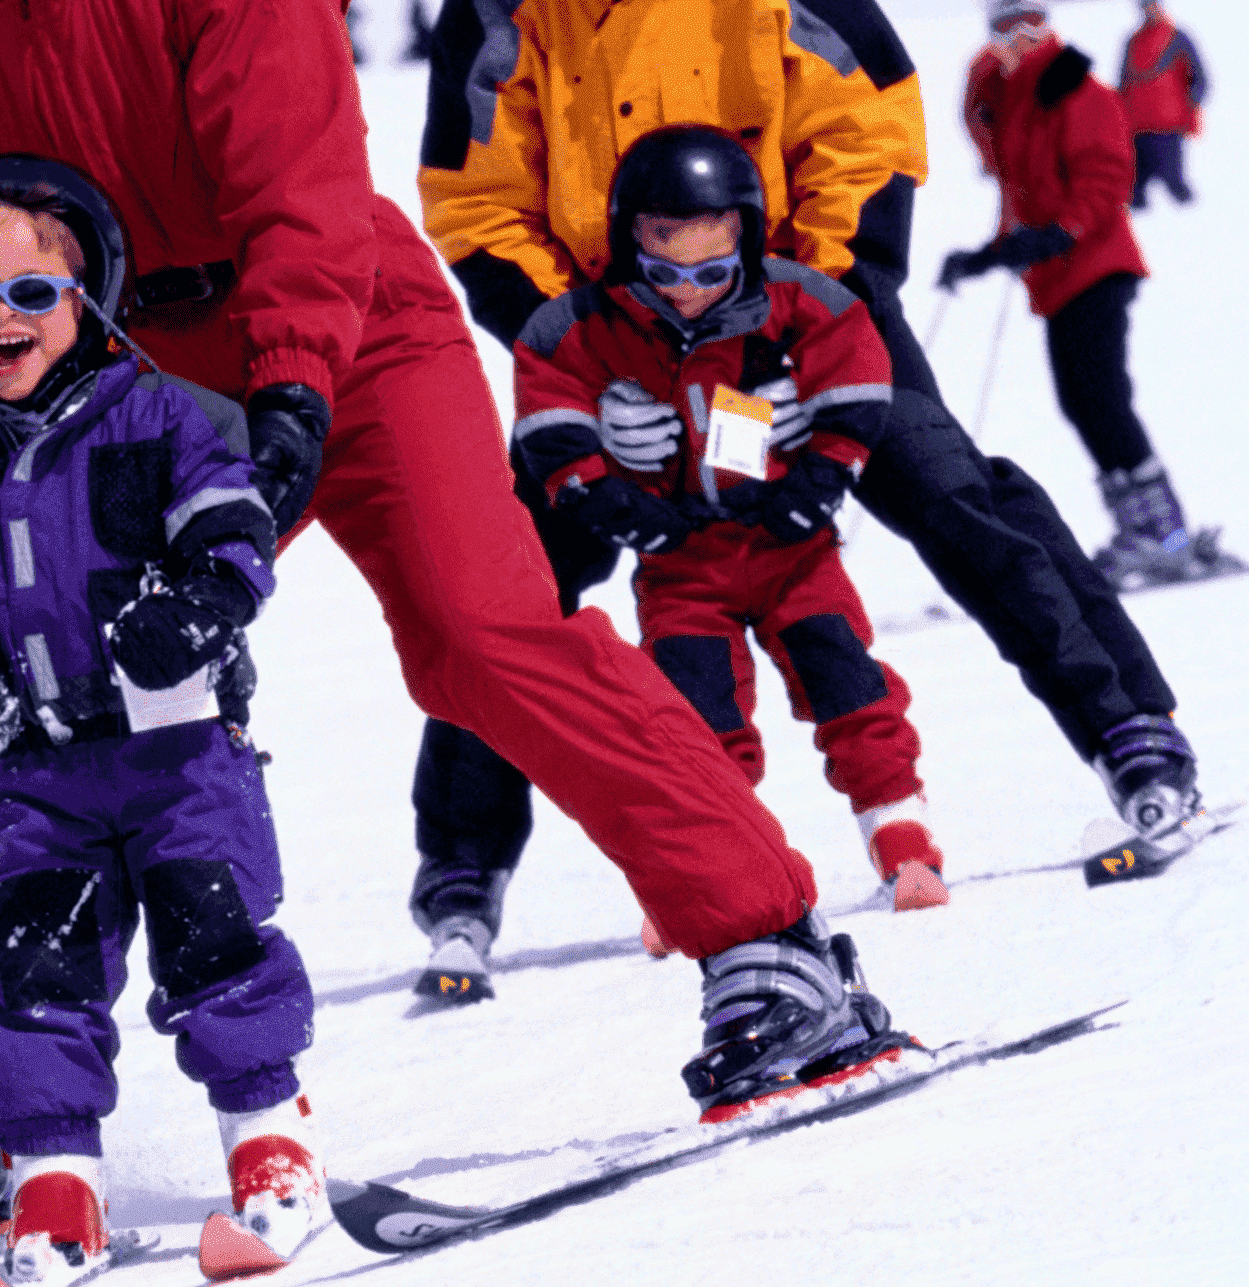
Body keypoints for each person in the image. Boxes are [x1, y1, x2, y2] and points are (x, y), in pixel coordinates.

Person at [0, 0, 875, 1260]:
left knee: (478, 630)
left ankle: (765, 942)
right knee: (7, 685)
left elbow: (297, 184)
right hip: (97, 375)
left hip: (348, 322)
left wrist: (286, 390)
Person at [408, 0, 1204, 978]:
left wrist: (792, 311)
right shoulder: (498, 10)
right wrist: (580, 343)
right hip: (609, 339)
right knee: (510, 581)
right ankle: (462, 872)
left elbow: (865, 126)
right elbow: (470, 193)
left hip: (804, 308)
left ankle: (1130, 733)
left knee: (944, 487)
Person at [0, 158, 326, 1286]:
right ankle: (55, 1188)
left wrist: (199, 609)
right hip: (39, 772)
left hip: (177, 752)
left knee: (212, 940)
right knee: (38, 976)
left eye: (29, 293)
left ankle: (272, 1148)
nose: (0, 320)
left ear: (89, 298)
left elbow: (230, 525)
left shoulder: (160, 418)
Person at [518, 128, 951, 951]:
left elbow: (856, 375)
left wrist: (823, 476)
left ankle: (899, 831)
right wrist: (608, 497)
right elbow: (550, 413)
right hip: (681, 565)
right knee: (694, 715)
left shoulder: (795, 301)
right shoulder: (584, 324)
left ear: (746, 244)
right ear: (626, 241)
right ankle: (713, 869)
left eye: (712, 272)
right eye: (664, 268)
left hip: (788, 552)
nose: (688, 293)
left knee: (844, 679)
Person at [944, 0, 1237, 590]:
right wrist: (987, 256)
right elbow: (1022, 201)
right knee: (1082, 403)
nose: (1018, 37)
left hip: (1098, 267)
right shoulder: (1014, 103)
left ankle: (1164, 532)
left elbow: (1106, 176)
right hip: (1058, 279)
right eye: (1003, 27)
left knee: (1101, 400)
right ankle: (1147, 529)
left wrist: (1062, 232)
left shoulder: (1073, 89)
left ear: (1047, 25)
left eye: (1029, 22)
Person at [1119, 1, 1208, 209]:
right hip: (1137, 125)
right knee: (1136, 190)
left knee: (1173, 183)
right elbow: (1123, 81)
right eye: (1145, 5)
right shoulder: (1133, 41)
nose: (1150, 9)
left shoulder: (1177, 37)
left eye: (1153, 4)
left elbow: (1200, 77)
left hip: (1168, 125)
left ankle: (1196, 219)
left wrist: (1190, 105)